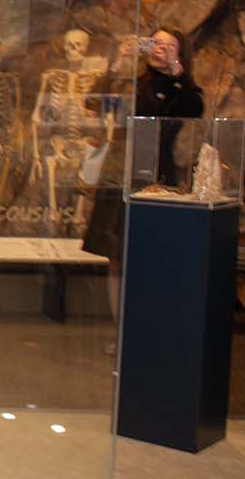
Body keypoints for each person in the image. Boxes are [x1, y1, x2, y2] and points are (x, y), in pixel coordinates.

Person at [81, 27, 204, 308]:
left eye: (168, 46)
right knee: (116, 256)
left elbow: (194, 109)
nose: (159, 49)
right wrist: (118, 61)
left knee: (154, 254)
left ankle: (148, 327)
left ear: (180, 52)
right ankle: (120, 327)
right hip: (119, 170)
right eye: (155, 43)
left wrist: (176, 70)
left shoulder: (179, 86)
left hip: (156, 173)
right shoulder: (132, 81)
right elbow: (93, 102)